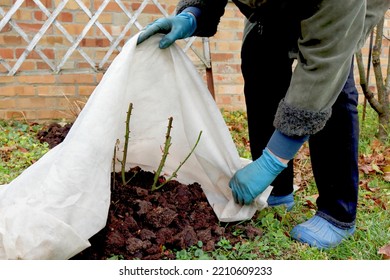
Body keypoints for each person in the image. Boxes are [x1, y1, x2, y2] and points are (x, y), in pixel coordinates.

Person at [137, 0, 389, 249]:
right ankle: (276, 190)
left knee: (333, 80)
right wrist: (194, 13)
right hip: (276, 6)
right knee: (259, 50)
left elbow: (323, 67)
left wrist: (273, 160)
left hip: (345, 8)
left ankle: (338, 213)